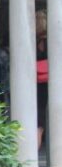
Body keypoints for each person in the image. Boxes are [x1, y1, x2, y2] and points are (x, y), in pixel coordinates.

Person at [37, 9, 48, 150]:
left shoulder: (34, 39)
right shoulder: (46, 40)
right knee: (40, 124)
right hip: (46, 83)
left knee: (38, 123)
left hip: (34, 82)